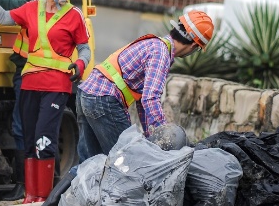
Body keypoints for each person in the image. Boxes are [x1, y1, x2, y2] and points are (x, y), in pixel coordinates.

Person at [0, 0, 90, 203]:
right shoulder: (31, 8)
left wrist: (80, 64)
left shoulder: (75, 15)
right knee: (28, 139)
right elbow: (4, 18)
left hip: (57, 85)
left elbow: (85, 48)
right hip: (29, 83)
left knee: (44, 139)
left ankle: (45, 198)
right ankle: (31, 195)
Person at [76, 10, 214, 162]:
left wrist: (151, 135)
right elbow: (150, 98)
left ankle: (67, 187)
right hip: (103, 99)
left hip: (87, 93)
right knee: (128, 161)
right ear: (194, 45)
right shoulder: (161, 53)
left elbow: (142, 100)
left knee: (89, 164)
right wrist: (165, 133)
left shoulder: (153, 44)